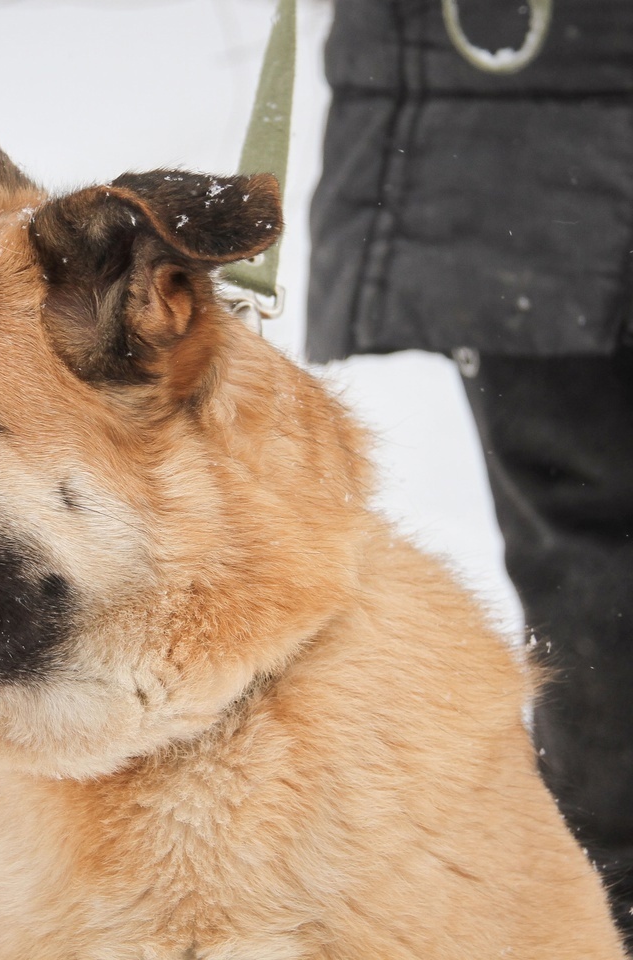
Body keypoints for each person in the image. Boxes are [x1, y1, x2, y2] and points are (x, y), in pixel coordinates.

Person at [306, 0, 633, 947]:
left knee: (586, 545)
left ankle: (606, 896)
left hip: (504, 110)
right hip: (511, 112)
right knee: (587, 547)